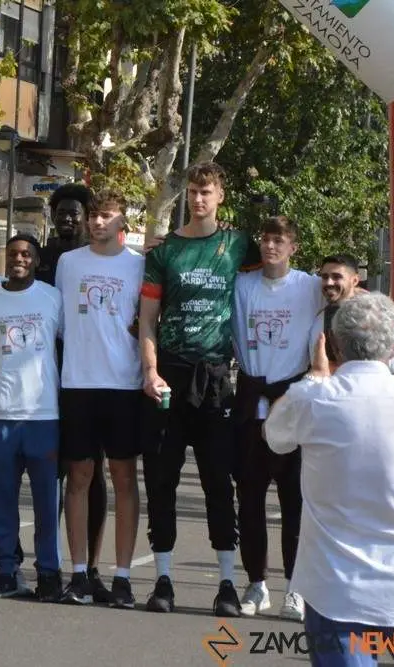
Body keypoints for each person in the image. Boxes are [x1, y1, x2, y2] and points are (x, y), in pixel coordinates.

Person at [138, 161, 261, 616]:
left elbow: (277, 259)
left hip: (213, 379)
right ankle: (163, 580)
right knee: (162, 480)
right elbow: (147, 320)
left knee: (216, 481)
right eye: (192, 191)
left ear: (220, 196)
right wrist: (150, 372)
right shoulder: (164, 250)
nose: (198, 199)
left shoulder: (236, 243)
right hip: (169, 373)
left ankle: (227, 585)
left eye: (206, 191)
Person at [265, 293, 394, 667]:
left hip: (335, 588)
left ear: (332, 342)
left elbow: (275, 436)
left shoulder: (314, 398)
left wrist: (315, 376)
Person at [230, 216, 322, 621]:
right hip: (251, 407)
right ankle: (255, 584)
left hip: (294, 407)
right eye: (265, 239)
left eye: (279, 240)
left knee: (295, 505)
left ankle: (296, 588)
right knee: (248, 501)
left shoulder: (311, 287)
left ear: (293, 247)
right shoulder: (243, 285)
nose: (270, 246)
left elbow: (347, 289)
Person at [55, 189, 143, 608]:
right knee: (79, 479)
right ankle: (78, 573)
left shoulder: (139, 265)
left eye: (106, 215)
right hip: (78, 384)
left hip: (124, 385)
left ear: (122, 221)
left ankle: (122, 576)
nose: (97, 222)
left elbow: (146, 324)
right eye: (93, 215)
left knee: (124, 479)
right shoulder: (68, 263)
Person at [0, 234, 64, 601]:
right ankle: (7, 571)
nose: (19, 259)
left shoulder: (52, 297)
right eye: (12, 254)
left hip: (44, 415)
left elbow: (65, 347)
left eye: (26, 254)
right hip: (0, 415)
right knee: (2, 499)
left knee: (46, 502)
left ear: (36, 260)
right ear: (3, 259)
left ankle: (48, 573)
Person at [36, 182, 111, 601]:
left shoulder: (102, 260)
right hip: (45, 380)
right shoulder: (41, 257)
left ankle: (92, 568)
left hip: (90, 378)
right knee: (51, 476)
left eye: (74, 212)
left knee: (91, 473)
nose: (67, 218)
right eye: (60, 212)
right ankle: (50, 568)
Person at [310, 253, 394, 378]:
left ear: (355, 280)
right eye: (325, 277)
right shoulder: (318, 319)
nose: (329, 282)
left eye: (337, 277)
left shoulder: (376, 317)